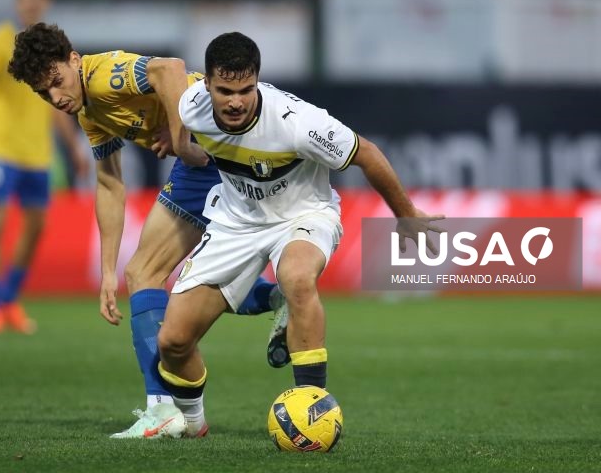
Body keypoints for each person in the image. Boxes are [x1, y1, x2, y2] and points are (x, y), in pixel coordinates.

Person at [154, 32, 445, 437]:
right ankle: (193, 422)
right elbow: (170, 88)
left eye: (245, 90)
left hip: (304, 215)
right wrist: (180, 141)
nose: (236, 101)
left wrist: (406, 213)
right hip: (236, 222)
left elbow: (367, 153)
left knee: (296, 277)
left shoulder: (299, 124)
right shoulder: (193, 106)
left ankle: (313, 412)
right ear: (207, 86)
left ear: (257, 81)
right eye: (225, 91)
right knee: (173, 341)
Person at [7, 23, 290, 438]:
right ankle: (281, 297)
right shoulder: (89, 110)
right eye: (43, 93)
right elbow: (109, 182)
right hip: (210, 156)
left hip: (217, 147)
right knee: (170, 277)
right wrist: (106, 272)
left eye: (56, 82)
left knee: (148, 274)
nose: (56, 98)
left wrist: (179, 136)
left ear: (73, 60)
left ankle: (165, 410)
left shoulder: (103, 77)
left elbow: (169, 69)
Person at [0, 0, 88, 334]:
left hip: (37, 152)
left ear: (45, 1)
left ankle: (9, 298)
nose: (30, 3)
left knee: (36, 227)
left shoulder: (51, 51)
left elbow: (57, 103)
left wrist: (74, 145)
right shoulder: (0, 39)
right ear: (18, 2)